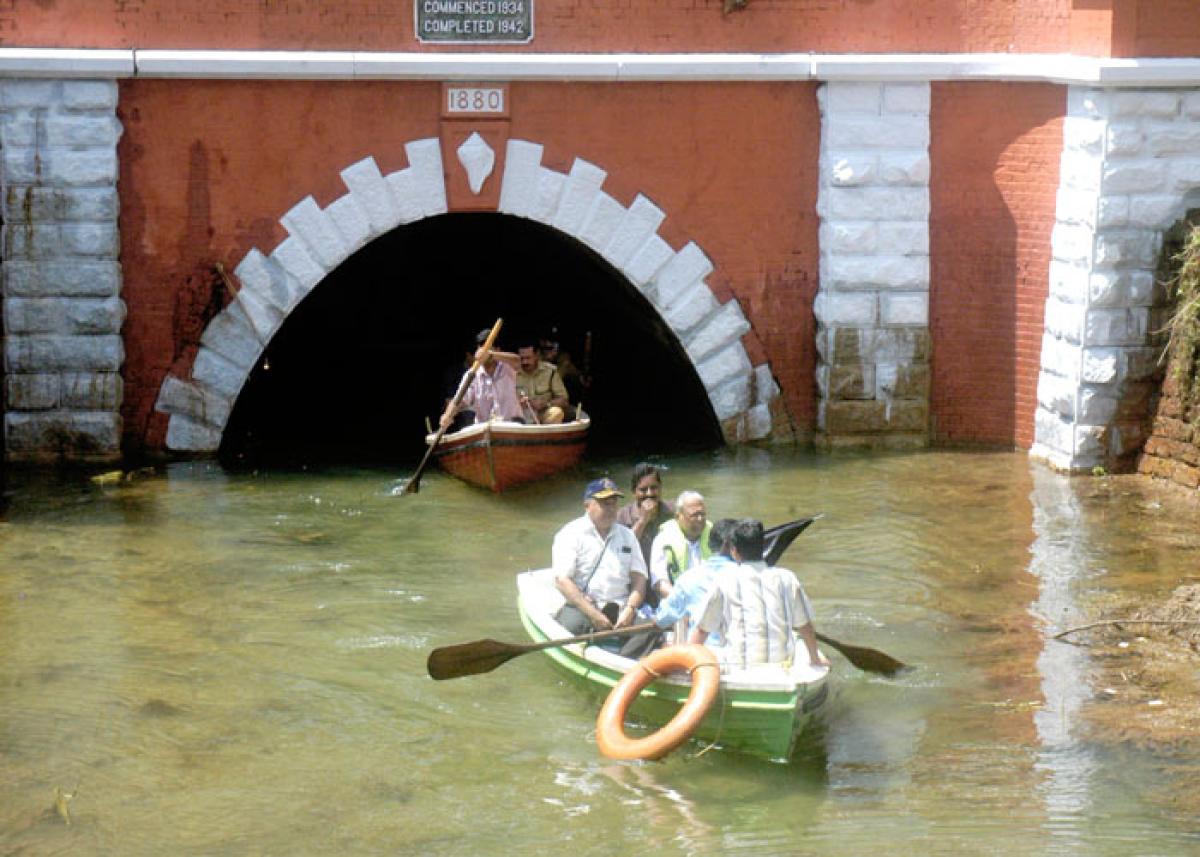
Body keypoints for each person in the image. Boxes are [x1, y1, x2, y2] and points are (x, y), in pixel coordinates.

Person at [690, 519, 829, 670]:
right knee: (799, 643)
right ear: (763, 548)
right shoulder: (787, 578)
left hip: (739, 669)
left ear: (734, 552)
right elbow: (804, 625)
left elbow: (703, 629)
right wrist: (815, 659)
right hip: (781, 668)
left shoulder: (724, 579)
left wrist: (685, 662)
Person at [552, 477, 661, 659]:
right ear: (587, 505)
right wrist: (593, 614)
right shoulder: (570, 533)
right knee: (570, 628)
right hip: (583, 606)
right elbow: (562, 581)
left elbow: (639, 579)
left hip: (620, 608)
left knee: (650, 630)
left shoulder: (627, 536)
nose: (611, 509)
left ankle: (621, 664)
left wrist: (630, 609)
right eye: (604, 504)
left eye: (614, 504)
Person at [652, 518, 737, 645]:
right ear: (733, 546)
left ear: (709, 544)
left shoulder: (688, 578)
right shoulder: (749, 577)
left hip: (702, 656)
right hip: (742, 652)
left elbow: (661, 619)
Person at [440, 328, 523, 428]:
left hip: (512, 426)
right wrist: (447, 415)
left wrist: (491, 355)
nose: (483, 351)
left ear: (498, 350)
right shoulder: (472, 374)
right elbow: (459, 400)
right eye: (481, 347)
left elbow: (517, 361)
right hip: (485, 429)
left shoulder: (507, 366)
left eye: (488, 347)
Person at [647, 490, 712, 604]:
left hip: (710, 599)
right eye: (694, 515)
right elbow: (659, 582)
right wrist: (683, 600)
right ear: (678, 516)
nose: (700, 519)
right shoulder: (663, 539)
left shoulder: (714, 534)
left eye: (702, 514)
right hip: (677, 602)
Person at [615, 462, 675, 580]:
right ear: (633, 492)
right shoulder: (621, 517)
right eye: (643, 490)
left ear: (660, 488)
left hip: (668, 579)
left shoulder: (674, 512)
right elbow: (623, 552)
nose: (649, 493)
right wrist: (642, 521)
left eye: (654, 488)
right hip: (637, 582)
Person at [515, 335, 571, 424]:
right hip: (520, 415)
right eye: (522, 358)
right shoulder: (512, 373)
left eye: (528, 358)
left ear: (537, 355)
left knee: (556, 413)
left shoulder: (550, 372)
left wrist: (545, 404)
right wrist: (517, 402)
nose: (524, 362)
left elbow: (564, 400)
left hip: (543, 415)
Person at [539, 327, 587, 405]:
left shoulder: (564, 358)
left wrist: (582, 377)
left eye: (553, 344)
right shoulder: (537, 357)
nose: (549, 345)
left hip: (557, 398)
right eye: (547, 346)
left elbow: (559, 377)